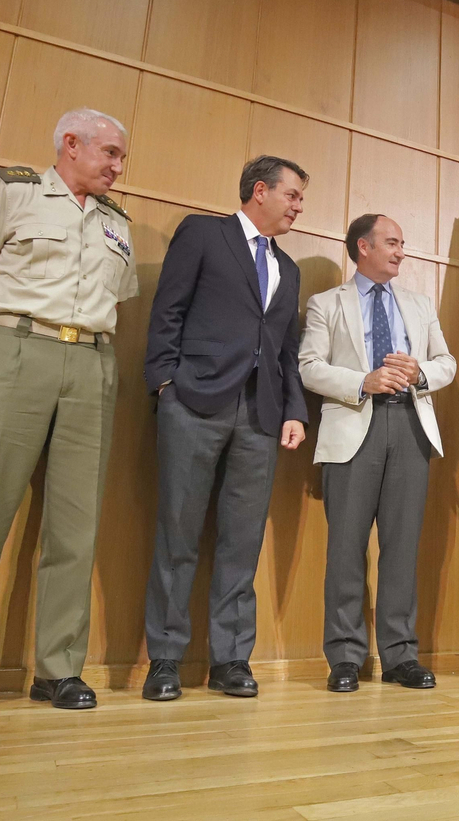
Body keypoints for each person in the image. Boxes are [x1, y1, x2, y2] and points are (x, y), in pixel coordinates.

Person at [0, 109, 137, 723]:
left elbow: (116, 300)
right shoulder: (12, 192)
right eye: (111, 153)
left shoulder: (117, 222)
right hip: (12, 350)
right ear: (71, 144)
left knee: (76, 528)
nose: (118, 167)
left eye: (122, 157)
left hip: (91, 362)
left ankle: (59, 669)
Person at [140, 156, 310, 701]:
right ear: (260, 190)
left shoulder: (289, 269)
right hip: (193, 403)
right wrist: (165, 384)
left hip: (260, 417)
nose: (298, 206)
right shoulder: (203, 233)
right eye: (292, 195)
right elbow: (167, 310)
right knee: (178, 534)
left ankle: (231, 659)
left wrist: (294, 410)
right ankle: (165, 660)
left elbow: (286, 351)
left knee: (243, 540)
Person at [298, 214, 456, 694]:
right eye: (392, 242)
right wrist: (362, 382)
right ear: (363, 247)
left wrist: (419, 373)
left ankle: (400, 656)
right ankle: (345, 657)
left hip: (410, 425)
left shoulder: (420, 305)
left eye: (402, 243)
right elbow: (308, 367)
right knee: (345, 549)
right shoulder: (326, 303)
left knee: (402, 548)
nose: (401, 252)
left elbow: (447, 363)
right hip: (353, 425)